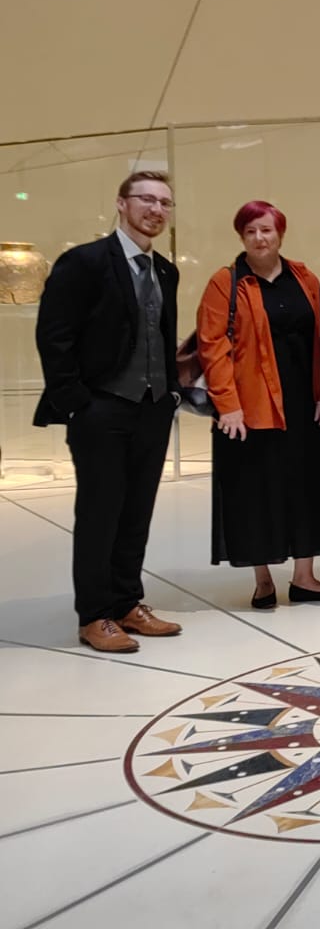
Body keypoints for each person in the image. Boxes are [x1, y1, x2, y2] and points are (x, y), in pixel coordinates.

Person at [34, 171, 183, 652]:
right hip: (101, 409)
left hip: (152, 409)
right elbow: (54, 335)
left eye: (164, 202)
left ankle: (126, 602)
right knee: (101, 512)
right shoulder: (84, 262)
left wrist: (171, 394)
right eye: (146, 199)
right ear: (121, 203)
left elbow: (161, 335)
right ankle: (94, 614)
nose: (156, 209)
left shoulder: (166, 271)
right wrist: (77, 402)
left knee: (136, 512)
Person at [199, 201, 320, 609]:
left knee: (306, 486)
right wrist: (228, 405)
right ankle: (262, 580)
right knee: (254, 491)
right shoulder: (226, 282)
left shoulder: (304, 277)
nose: (260, 238)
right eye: (251, 231)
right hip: (249, 407)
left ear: (280, 233)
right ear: (241, 237)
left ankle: (305, 578)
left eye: (266, 230)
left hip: (302, 402)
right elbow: (212, 348)